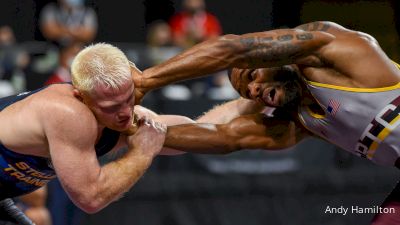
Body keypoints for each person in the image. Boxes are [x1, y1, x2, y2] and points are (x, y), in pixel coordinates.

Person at [133, 21, 400, 224]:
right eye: (248, 92)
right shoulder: (300, 120)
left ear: (274, 56)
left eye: (252, 75)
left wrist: (146, 81)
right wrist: (130, 130)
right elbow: (227, 136)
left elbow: (231, 49)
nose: (254, 90)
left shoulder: (332, 46)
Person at [0, 43, 192, 224]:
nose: (126, 112)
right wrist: (142, 153)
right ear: (82, 97)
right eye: (112, 106)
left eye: (129, 99)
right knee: (38, 209)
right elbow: (91, 198)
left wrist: (222, 125)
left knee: (39, 210)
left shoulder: (128, 118)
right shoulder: (66, 113)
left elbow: (192, 131)